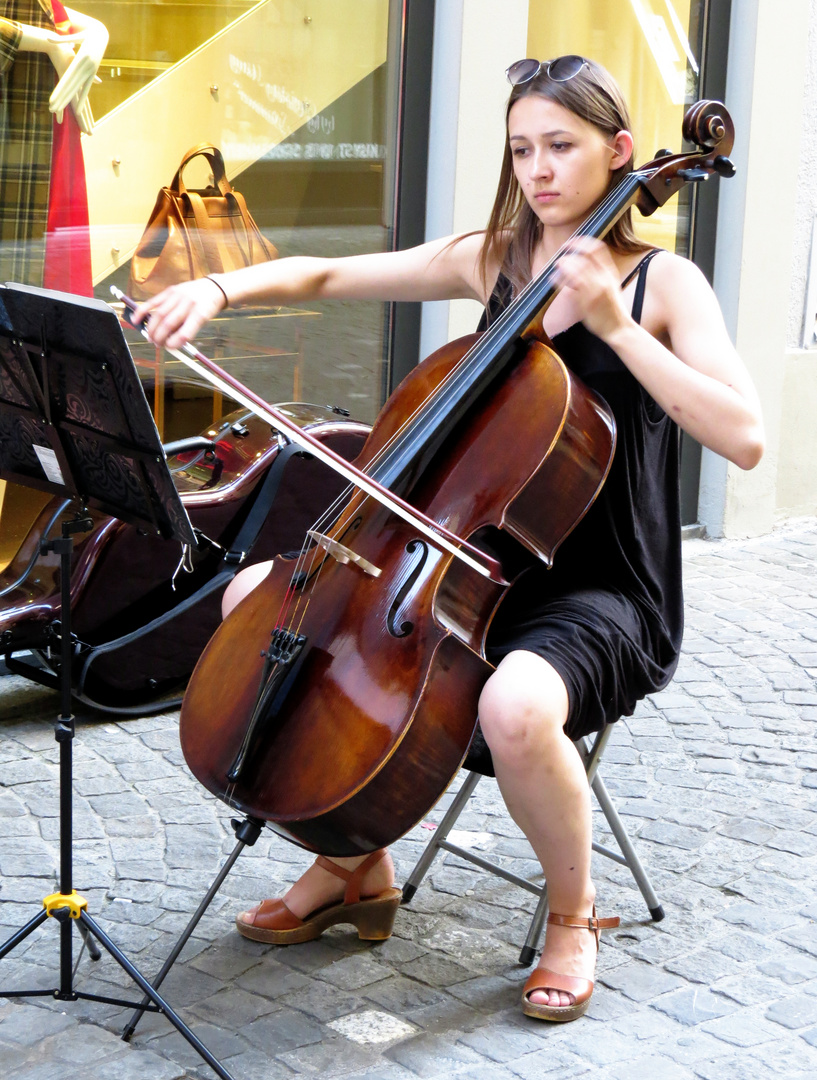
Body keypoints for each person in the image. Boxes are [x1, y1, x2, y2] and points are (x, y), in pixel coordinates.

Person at [135, 56, 764, 1024]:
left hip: (603, 596)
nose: (540, 170)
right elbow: (330, 270)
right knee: (251, 598)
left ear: (620, 152)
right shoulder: (496, 261)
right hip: (471, 577)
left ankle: (571, 915)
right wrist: (216, 293)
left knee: (514, 704)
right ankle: (353, 863)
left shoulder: (662, 285)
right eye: (522, 150)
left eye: (561, 146)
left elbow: (745, 438)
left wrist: (613, 326)